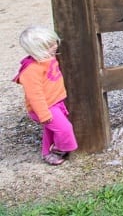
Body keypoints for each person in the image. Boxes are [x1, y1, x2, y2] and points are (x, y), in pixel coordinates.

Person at [12, 26, 78, 165]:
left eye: (54, 43)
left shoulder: (47, 57)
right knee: (65, 129)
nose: (54, 47)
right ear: (35, 50)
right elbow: (34, 95)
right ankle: (59, 149)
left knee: (50, 131)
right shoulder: (31, 70)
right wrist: (43, 114)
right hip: (45, 107)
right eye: (48, 46)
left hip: (55, 102)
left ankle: (47, 153)